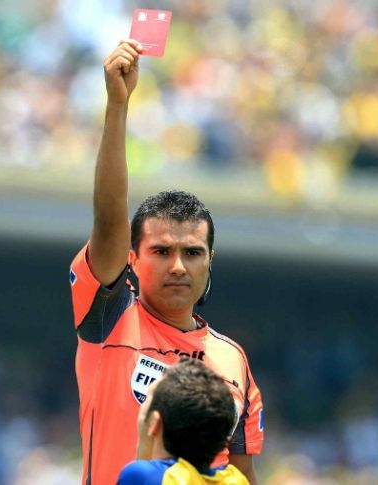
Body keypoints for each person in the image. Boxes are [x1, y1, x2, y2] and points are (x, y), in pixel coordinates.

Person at [69, 39, 264, 485]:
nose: (178, 265)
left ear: (210, 261)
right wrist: (118, 106)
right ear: (133, 258)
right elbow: (110, 219)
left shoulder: (232, 360)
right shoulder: (109, 317)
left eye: (192, 253)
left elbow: (242, 472)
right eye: (161, 251)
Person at [117, 357, 250, 484]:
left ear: (154, 422)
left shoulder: (142, 475)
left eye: (150, 397)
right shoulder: (236, 480)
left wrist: (145, 447)